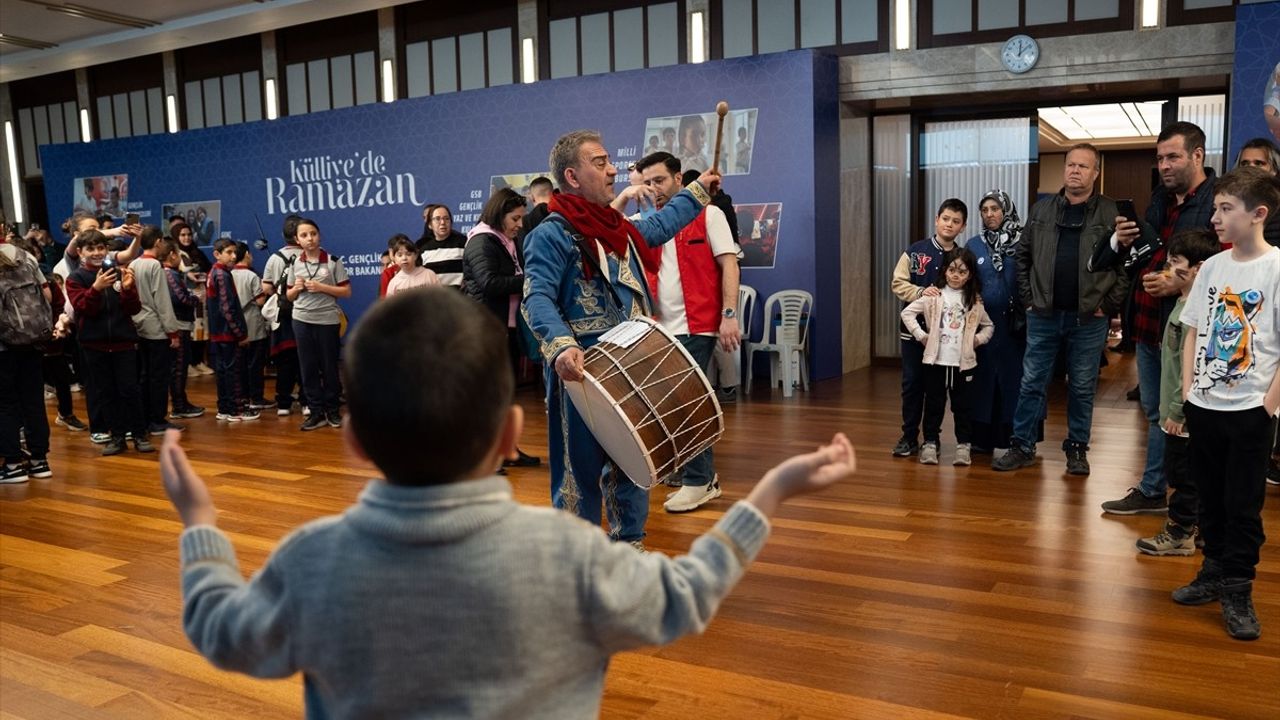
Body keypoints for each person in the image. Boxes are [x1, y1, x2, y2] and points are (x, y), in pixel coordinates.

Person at [159, 286, 857, 717]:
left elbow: (222, 631)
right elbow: (687, 594)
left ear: (352, 443)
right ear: (512, 434)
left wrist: (200, 522)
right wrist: (771, 491)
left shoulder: (310, 563)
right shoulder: (569, 553)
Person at [522, 129, 721, 549]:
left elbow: (663, 223)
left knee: (633, 462)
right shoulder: (550, 235)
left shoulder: (615, 228)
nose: (613, 169)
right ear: (572, 176)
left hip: (630, 363)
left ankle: (628, 546)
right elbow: (536, 297)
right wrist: (562, 345)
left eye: (610, 161)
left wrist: (697, 189)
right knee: (579, 470)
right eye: (600, 162)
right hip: (580, 372)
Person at [1172, 166, 1280, 641]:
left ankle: (1238, 587)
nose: (1214, 217)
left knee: (1243, 504)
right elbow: (1193, 326)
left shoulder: (1277, 268)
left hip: (1251, 411)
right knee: (1209, 498)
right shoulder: (1213, 266)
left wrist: (1268, 405)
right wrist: (1188, 388)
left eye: (1225, 209)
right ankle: (1213, 572)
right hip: (1205, 406)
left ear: (1258, 214)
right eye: (1215, 207)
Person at [1097, 122, 1217, 512]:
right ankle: (1153, 490)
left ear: (1197, 155)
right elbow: (1151, 254)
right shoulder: (1159, 199)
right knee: (1156, 412)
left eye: (1173, 157)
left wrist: (1176, 284)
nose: (1164, 165)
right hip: (1149, 324)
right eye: (1160, 158)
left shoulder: (1218, 201)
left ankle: (1195, 504)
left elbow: (1220, 266)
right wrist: (1127, 242)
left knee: (1191, 415)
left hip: (1191, 329)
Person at [993, 144, 1129, 475]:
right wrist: (1028, 299)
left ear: (1095, 173)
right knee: (1031, 382)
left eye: (1083, 166)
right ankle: (1022, 445)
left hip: (1089, 317)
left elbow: (1127, 263)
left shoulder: (1112, 212)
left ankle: (1077, 448)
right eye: (1071, 165)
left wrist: (1109, 305)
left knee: (1082, 385)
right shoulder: (1042, 211)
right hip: (1043, 314)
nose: (1075, 171)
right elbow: (1022, 256)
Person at [630, 151, 741, 512]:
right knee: (667, 404)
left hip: (699, 325)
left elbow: (729, 265)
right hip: (656, 329)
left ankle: (700, 479)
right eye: (646, 182)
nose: (653, 189)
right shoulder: (644, 221)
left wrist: (729, 315)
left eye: (659, 180)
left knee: (686, 402)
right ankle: (686, 471)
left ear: (680, 180)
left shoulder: (709, 213)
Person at [1131, 229, 1221, 556]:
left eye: (1176, 262)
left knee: (1183, 476)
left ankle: (1181, 531)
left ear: (1198, 268)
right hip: (1177, 407)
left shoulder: (1199, 312)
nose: (1168, 268)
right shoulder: (1184, 301)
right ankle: (1196, 527)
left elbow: (1193, 368)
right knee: (1187, 473)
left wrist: (1175, 411)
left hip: (1182, 412)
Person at [463, 188, 540, 469]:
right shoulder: (482, 242)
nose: (520, 224)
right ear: (499, 214)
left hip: (503, 327)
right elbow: (490, 283)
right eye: (515, 218)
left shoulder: (504, 241)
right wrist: (529, 280)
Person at [900, 247, 994, 466]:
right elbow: (907, 313)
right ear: (944, 270)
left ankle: (963, 446)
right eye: (952, 269)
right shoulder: (935, 295)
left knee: (963, 407)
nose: (956, 275)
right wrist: (921, 335)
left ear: (969, 274)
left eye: (962, 272)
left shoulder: (974, 301)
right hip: (935, 362)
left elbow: (989, 326)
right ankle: (930, 443)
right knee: (933, 404)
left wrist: (978, 340)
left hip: (964, 365)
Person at [889, 199, 968, 458]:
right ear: (937, 220)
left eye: (956, 221)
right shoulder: (915, 251)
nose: (949, 224)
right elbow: (898, 283)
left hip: (946, 339)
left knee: (937, 390)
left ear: (962, 227)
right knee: (912, 385)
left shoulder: (961, 257)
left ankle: (932, 439)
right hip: (914, 334)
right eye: (946, 218)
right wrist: (921, 292)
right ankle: (909, 436)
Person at [64, 230, 153, 456]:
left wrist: (129, 289)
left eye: (100, 248)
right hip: (94, 345)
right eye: (90, 249)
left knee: (130, 390)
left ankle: (140, 434)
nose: (96, 253)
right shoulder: (75, 278)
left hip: (123, 343)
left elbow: (133, 308)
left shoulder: (118, 271)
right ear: (81, 253)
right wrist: (96, 288)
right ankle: (117, 436)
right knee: (106, 392)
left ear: (106, 250)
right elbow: (84, 309)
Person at [966, 190, 1025, 461]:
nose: (990, 214)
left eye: (995, 208)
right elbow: (964, 277)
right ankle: (981, 439)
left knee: (1014, 381)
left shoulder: (1024, 240)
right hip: (984, 326)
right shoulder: (974, 245)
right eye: (985, 209)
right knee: (984, 380)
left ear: (1006, 210)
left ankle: (1017, 439)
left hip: (1016, 327)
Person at [285, 218, 351, 431]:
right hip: (301, 320)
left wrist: (322, 287)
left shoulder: (332, 261)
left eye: (313, 233)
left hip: (327, 320)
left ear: (319, 235)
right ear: (297, 240)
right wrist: (296, 289)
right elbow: (289, 295)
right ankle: (315, 412)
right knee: (308, 367)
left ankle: (332, 410)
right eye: (304, 235)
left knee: (329, 366)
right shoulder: (295, 262)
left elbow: (346, 291)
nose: (309, 238)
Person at [0, 239, 54, 482]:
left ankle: (12, 465)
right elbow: (48, 296)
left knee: (5, 404)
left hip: (3, 346)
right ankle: (39, 461)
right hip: (32, 340)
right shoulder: (25, 255)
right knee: (33, 401)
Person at [261, 215, 308, 416]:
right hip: (307, 313)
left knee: (285, 361)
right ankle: (307, 401)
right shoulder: (311, 255)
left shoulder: (275, 258)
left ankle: (283, 403)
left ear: (283, 234)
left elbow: (266, 287)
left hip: (284, 316)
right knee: (307, 360)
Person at [206, 239, 257, 423]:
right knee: (233, 371)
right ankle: (236, 410)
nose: (234, 256)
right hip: (228, 333)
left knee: (222, 371)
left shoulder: (214, 272)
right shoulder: (222, 275)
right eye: (228, 252)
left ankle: (224, 408)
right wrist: (240, 333)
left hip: (218, 333)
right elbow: (227, 308)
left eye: (235, 252)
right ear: (217, 254)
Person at [162, 243, 204, 419]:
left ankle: (181, 402)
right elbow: (180, 299)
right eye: (179, 254)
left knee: (180, 367)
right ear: (172, 255)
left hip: (180, 324)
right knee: (178, 368)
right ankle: (179, 405)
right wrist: (195, 298)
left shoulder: (171, 273)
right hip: (178, 325)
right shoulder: (169, 273)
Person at [232, 242, 272, 410]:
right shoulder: (252, 276)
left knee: (239, 365)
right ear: (247, 254)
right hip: (253, 326)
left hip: (236, 327)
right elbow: (260, 301)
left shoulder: (229, 274)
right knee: (255, 364)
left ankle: (242, 396)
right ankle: (256, 398)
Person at [173, 221, 213, 376]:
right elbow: (187, 273)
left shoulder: (197, 251)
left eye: (189, 234)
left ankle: (198, 362)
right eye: (182, 235)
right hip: (187, 297)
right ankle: (189, 363)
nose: (186, 238)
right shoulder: (177, 254)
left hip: (202, 296)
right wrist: (192, 275)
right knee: (191, 331)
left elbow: (208, 269)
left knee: (202, 330)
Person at [417, 204, 467, 287]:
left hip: (460, 298)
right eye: (437, 219)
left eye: (446, 218)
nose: (443, 222)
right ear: (430, 224)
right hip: (435, 298)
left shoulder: (463, 243)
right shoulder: (424, 250)